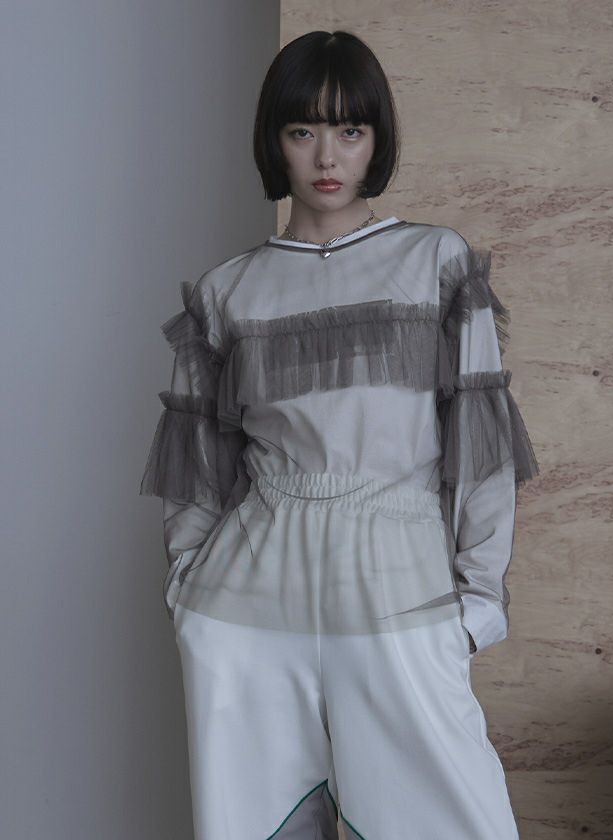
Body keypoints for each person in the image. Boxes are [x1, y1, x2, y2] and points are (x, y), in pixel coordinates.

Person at [139, 28, 539, 840]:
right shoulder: (228, 292)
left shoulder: (435, 261)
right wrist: (188, 591)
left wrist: (476, 606)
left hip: (399, 586)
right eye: (303, 131)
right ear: (275, 142)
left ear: (376, 140)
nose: (327, 156)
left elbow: (480, 452)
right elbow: (199, 476)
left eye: (350, 130)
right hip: (249, 605)